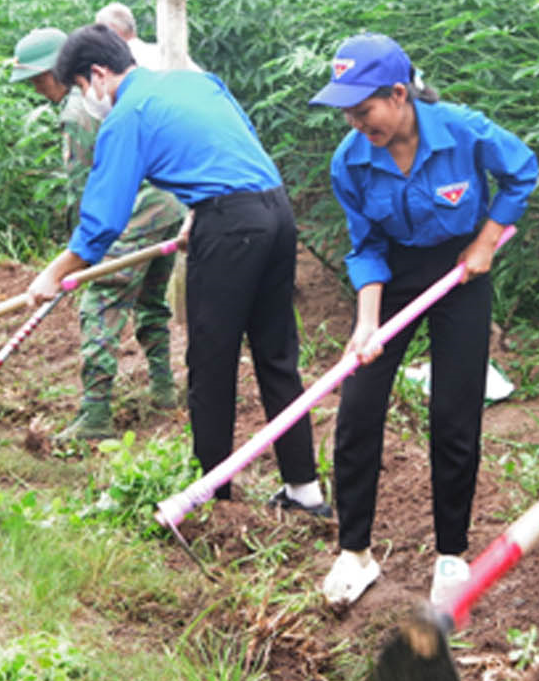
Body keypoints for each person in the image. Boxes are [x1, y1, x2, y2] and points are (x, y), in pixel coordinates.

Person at [25, 25, 326, 513]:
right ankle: (304, 492)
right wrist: (196, 212)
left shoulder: (128, 115)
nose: (87, 99)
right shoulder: (196, 82)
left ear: (98, 74)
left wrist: (52, 273)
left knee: (211, 365)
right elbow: (232, 146)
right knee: (276, 357)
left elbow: (102, 221)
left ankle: (215, 500)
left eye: (82, 88)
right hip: (275, 213)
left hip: (230, 228)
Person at [308, 34, 538, 608]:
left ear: (399, 93)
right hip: (392, 274)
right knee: (358, 406)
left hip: (462, 270)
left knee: (454, 413)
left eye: (365, 111)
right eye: (347, 115)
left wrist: (486, 240)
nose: (358, 124)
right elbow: (365, 247)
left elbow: (523, 171)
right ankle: (355, 551)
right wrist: (366, 326)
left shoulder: (461, 130)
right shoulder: (351, 162)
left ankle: (451, 555)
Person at [11, 27, 182, 442]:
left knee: (99, 303)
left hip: (133, 216)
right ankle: (164, 389)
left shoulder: (79, 111)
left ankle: (95, 416)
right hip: (170, 209)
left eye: (39, 80)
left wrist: (75, 259)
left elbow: (89, 187)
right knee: (151, 301)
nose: (38, 90)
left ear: (61, 71)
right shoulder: (105, 99)